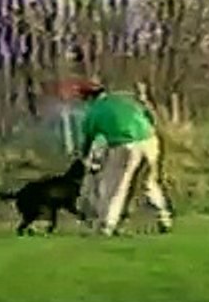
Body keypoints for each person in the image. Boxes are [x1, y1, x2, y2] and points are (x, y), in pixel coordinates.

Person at [71, 78, 173, 236]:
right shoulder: (123, 100)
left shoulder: (95, 110)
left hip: (126, 145)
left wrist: (84, 157)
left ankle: (107, 226)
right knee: (148, 182)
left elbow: (88, 139)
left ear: (88, 97)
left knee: (116, 186)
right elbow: (149, 116)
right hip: (151, 140)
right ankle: (164, 217)